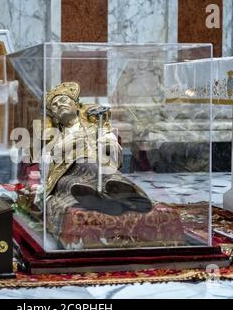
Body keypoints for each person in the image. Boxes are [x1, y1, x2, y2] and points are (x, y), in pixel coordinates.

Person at [42, 82, 152, 242]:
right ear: (54, 115)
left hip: (101, 166)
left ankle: (123, 194)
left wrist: (108, 142)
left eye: (63, 101)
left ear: (75, 104)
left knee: (99, 167)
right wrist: (71, 142)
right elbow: (50, 155)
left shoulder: (95, 124)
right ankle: (101, 197)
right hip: (68, 171)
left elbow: (110, 139)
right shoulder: (57, 133)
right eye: (55, 105)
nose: (59, 106)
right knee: (77, 176)